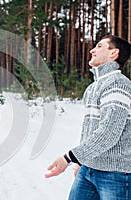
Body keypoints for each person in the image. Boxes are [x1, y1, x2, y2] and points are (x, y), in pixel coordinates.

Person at [45, 35, 131, 199]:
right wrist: (80, 161)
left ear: (114, 53)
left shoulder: (118, 84)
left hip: (115, 175)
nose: (92, 50)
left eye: (99, 46)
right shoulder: (93, 88)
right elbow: (89, 130)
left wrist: (69, 158)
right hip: (88, 169)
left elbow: (109, 133)